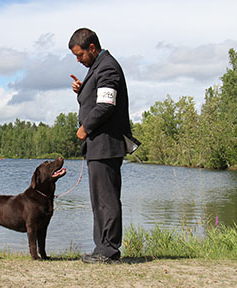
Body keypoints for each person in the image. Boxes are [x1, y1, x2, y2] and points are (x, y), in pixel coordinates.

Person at [68, 28, 139, 263]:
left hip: (106, 144)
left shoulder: (108, 66)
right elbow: (98, 96)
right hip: (98, 146)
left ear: (92, 48)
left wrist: (85, 127)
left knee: (107, 199)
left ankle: (109, 251)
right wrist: (83, 89)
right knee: (99, 200)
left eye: (80, 55)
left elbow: (106, 105)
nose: (78, 60)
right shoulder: (98, 67)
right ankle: (102, 249)